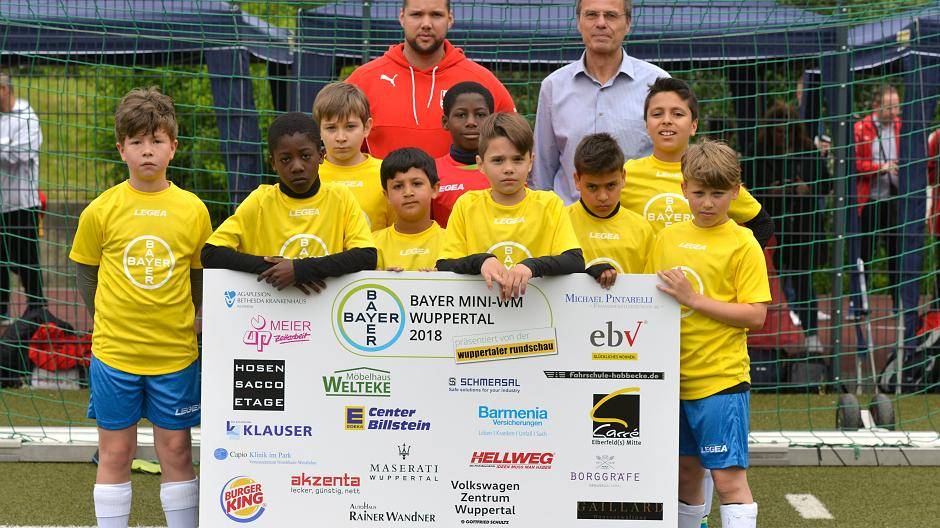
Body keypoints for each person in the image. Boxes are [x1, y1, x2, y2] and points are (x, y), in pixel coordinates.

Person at [69, 87, 212, 528]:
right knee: (116, 452)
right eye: (136, 142)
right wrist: (107, 320)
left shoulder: (193, 210)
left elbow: (198, 276)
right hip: (116, 355)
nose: (147, 150)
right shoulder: (101, 210)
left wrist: (193, 318)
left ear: (174, 146)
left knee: (177, 451)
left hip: (174, 354)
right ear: (121, 149)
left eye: (156, 140)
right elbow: (86, 274)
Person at [646, 139, 770, 528]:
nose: (707, 203)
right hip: (671, 382)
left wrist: (694, 299)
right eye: (699, 193)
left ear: (735, 192)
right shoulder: (667, 238)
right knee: (685, 475)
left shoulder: (743, 243)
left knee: (728, 481)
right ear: (684, 188)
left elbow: (756, 315)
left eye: (718, 194)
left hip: (720, 382)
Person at [201, 112, 376, 290]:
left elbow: (367, 255)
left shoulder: (341, 197)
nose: (297, 167)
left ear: (321, 155)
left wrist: (301, 270)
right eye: (285, 159)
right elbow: (211, 253)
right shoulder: (260, 201)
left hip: (327, 306)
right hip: (272, 307)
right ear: (273, 163)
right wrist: (274, 269)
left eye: (305, 156)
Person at [532, 0, 669, 204]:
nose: (601, 23)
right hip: (569, 219)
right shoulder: (553, 87)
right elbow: (542, 172)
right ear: (578, 22)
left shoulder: (657, 83)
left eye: (611, 15)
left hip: (637, 217)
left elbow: (672, 159)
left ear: (628, 23)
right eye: (591, 15)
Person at [436, 112, 584, 300]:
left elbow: (574, 260)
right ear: (481, 164)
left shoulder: (550, 204)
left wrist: (531, 266)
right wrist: (481, 261)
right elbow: (445, 264)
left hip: (538, 310)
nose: (508, 168)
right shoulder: (466, 205)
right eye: (498, 160)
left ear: (530, 162)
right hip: (482, 313)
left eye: (517, 159)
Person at [345, 0, 514, 159]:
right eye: (417, 14)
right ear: (402, 17)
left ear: (450, 19)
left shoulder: (483, 81)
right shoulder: (363, 80)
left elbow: (513, 149)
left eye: (436, 15)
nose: (426, 24)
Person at [621, 77, 775, 248]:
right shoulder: (626, 174)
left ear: (693, 126)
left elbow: (763, 225)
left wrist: (727, 259)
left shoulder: (711, 170)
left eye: (678, 114)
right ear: (647, 125)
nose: (666, 120)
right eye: (657, 114)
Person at [752, 102, 830, 353]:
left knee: (803, 281)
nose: (782, 136)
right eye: (777, 131)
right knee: (765, 282)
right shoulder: (759, 151)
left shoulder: (807, 150)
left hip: (802, 226)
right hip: (770, 227)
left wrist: (807, 188)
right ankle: (765, 339)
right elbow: (746, 188)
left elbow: (826, 183)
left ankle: (811, 335)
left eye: (786, 131)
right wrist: (769, 191)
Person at [567, 132, 653, 289]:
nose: (602, 197)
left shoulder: (642, 229)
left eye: (611, 185)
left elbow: (651, 286)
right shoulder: (562, 223)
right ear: (577, 180)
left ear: (623, 177)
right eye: (592, 187)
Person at [0, 71, 46, 321]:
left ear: (4, 90)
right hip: (1, 205)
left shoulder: (27, 116)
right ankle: (2, 311)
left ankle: (37, 310)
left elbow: (21, 154)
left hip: (22, 204)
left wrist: (6, 150)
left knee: (27, 262)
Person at [314, 82, 389, 232]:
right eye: (331, 128)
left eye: (350, 127)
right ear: (319, 131)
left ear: (366, 127)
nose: (341, 138)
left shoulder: (385, 173)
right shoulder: (310, 174)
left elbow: (396, 233)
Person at [854, 84, 901, 308]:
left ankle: (898, 302)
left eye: (896, 107)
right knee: (864, 252)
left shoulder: (902, 127)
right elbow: (854, 163)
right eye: (889, 107)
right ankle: (860, 303)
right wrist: (880, 168)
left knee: (896, 251)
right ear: (876, 106)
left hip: (894, 199)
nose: (894, 112)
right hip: (869, 199)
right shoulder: (860, 128)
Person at [432, 81, 494, 227]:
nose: (471, 122)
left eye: (480, 114)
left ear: (492, 120)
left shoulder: (508, 170)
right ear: (445, 122)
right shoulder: (431, 172)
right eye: (461, 115)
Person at [374, 147, 443, 270]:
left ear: (434, 189)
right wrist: (378, 277)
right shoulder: (372, 245)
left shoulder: (453, 242)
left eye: (417, 184)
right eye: (398, 186)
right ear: (387, 195)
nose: (408, 193)